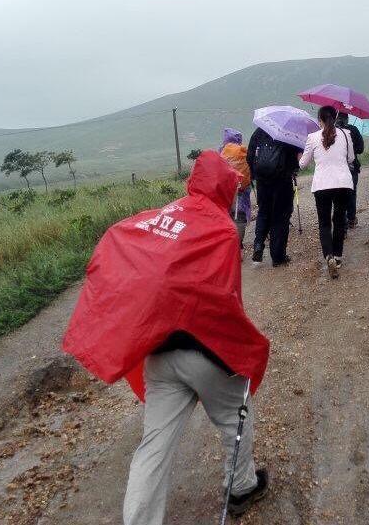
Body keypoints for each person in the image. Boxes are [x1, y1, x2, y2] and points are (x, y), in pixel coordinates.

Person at [62, 152, 270, 524]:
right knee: (236, 415)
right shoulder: (221, 229)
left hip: (158, 353)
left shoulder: (162, 215)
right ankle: (240, 487)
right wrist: (241, 351)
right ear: (225, 187)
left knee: (154, 445)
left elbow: (124, 244)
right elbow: (225, 301)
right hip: (203, 353)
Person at [299, 105, 355, 279]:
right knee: (339, 221)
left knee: (324, 223)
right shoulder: (346, 134)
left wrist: (299, 157)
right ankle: (337, 257)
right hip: (343, 183)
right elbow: (351, 158)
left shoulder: (312, 137)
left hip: (322, 185)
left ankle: (328, 255)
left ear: (320, 120)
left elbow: (303, 165)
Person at [247, 126, 300, 267]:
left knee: (263, 213)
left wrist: (255, 174)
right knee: (280, 217)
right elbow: (295, 162)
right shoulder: (288, 135)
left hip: (263, 182)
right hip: (282, 183)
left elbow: (250, 156)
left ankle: (258, 244)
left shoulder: (259, 132)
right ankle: (278, 257)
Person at [219, 128, 252, 249]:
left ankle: (228, 244)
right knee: (240, 216)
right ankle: (239, 244)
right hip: (242, 189)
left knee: (228, 216)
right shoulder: (244, 150)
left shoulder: (221, 151)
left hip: (226, 191)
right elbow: (250, 167)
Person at [336, 112, 365, 229]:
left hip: (336, 168)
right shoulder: (353, 129)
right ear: (347, 119)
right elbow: (361, 149)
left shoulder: (331, 131)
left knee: (338, 196)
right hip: (352, 167)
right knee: (351, 193)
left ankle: (342, 224)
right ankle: (351, 219)